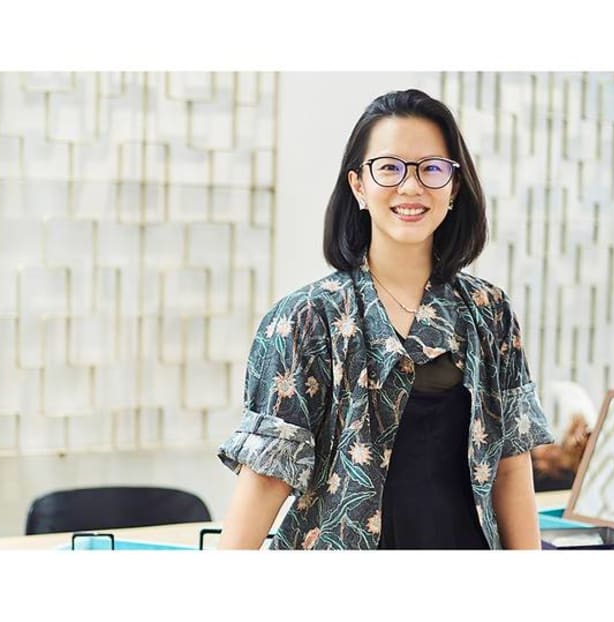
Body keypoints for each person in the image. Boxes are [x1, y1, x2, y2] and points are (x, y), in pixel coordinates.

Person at [216, 88, 555, 550]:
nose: (411, 187)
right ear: (359, 185)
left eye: (432, 168)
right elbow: (265, 479)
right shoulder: (305, 319)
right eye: (389, 168)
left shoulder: (489, 311)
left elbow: (511, 463)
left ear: (454, 186)